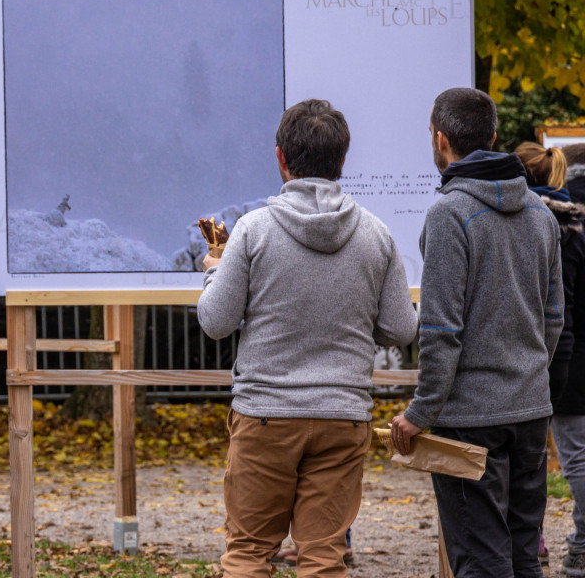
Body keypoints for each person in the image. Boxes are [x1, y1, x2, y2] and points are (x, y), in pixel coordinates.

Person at [198, 98, 418, 578]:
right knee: (323, 557)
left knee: (249, 554)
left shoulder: (252, 231)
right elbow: (402, 328)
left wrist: (213, 273)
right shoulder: (377, 234)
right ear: (342, 161)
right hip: (343, 417)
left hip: (264, 417)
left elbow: (216, 322)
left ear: (281, 159)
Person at [391, 88, 563, 578]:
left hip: (469, 420)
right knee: (521, 556)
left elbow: (441, 331)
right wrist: (526, 373)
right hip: (531, 412)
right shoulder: (540, 214)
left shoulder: (448, 215)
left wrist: (420, 413)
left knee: (481, 561)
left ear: (441, 140)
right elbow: (553, 318)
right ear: (492, 137)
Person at [516, 141, 585, 577]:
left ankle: (543, 542)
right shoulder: (573, 225)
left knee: (540, 456)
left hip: (546, 356)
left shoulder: (539, 227)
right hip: (573, 354)